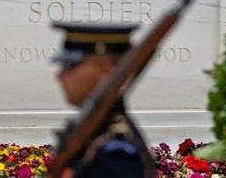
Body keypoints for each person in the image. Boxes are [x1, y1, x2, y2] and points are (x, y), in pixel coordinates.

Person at [50, 21, 155, 178]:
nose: (59, 75)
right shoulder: (91, 132)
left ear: (106, 70)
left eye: (70, 65)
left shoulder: (116, 152)